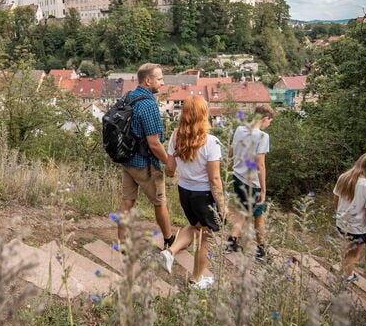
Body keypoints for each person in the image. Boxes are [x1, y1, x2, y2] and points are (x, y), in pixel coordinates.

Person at [160, 96, 226, 289]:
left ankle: (170, 252)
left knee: (195, 225)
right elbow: (214, 179)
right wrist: (222, 205)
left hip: (185, 192)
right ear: (203, 114)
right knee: (209, 236)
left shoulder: (175, 137)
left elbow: (170, 169)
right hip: (204, 194)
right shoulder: (211, 142)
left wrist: (182, 173)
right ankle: (196, 279)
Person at [117, 63, 175, 249]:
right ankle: (169, 240)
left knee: (127, 201)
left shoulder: (128, 97)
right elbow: (154, 143)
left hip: (127, 160)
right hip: (145, 164)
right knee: (160, 202)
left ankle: (122, 242)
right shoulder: (148, 105)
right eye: (159, 79)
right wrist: (168, 163)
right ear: (148, 80)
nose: (162, 83)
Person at [226, 105, 276, 260]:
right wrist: (263, 189)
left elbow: (231, 151)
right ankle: (261, 250)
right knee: (258, 216)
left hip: (237, 176)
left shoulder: (240, 130)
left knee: (243, 210)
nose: (269, 124)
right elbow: (260, 163)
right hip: (252, 182)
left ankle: (231, 241)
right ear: (265, 118)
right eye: (270, 121)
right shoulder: (263, 136)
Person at [334, 153, 366, 281]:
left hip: (342, 223)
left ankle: (345, 270)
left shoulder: (344, 178)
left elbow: (336, 199)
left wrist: (341, 214)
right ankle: (348, 277)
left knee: (350, 249)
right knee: (354, 254)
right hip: (358, 228)